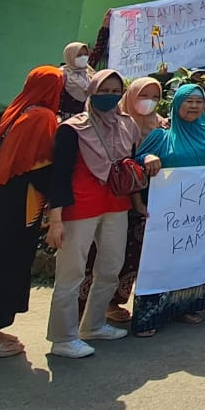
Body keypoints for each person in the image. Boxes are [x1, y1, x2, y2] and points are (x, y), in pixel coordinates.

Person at [45, 69, 142, 358]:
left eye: (115, 91)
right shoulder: (72, 129)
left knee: (111, 267)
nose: (110, 96)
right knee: (71, 273)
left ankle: (94, 324)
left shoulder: (127, 125)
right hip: (80, 207)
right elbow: (59, 175)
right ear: (92, 91)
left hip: (116, 205)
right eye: (104, 90)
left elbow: (131, 161)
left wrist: (138, 202)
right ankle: (62, 338)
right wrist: (55, 220)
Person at [0, 67, 62, 361]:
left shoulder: (17, 109)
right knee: (7, 262)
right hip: (21, 202)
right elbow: (42, 167)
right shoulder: (44, 117)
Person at [77, 77, 166, 326]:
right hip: (109, 199)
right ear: (130, 95)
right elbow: (125, 159)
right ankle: (82, 312)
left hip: (144, 200)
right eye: (143, 95)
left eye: (155, 97)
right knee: (96, 256)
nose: (149, 101)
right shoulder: (118, 123)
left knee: (129, 255)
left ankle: (112, 303)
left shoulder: (163, 126)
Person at [132, 84, 205, 337]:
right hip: (166, 214)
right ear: (177, 103)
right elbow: (134, 163)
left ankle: (186, 306)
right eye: (188, 101)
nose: (194, 106)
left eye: (199, 101)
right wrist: (146, 159)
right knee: (161, 262)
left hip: (198, 213)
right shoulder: (161, 136)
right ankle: (150, 316)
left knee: (192, 258)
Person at [59, 42, 93, 119]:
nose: (83, 58)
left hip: (87, 118)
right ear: (70, 56)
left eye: (85, 55)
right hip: (67, 118)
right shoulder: (62, 74)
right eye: (79, 55)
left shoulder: (89, 72)